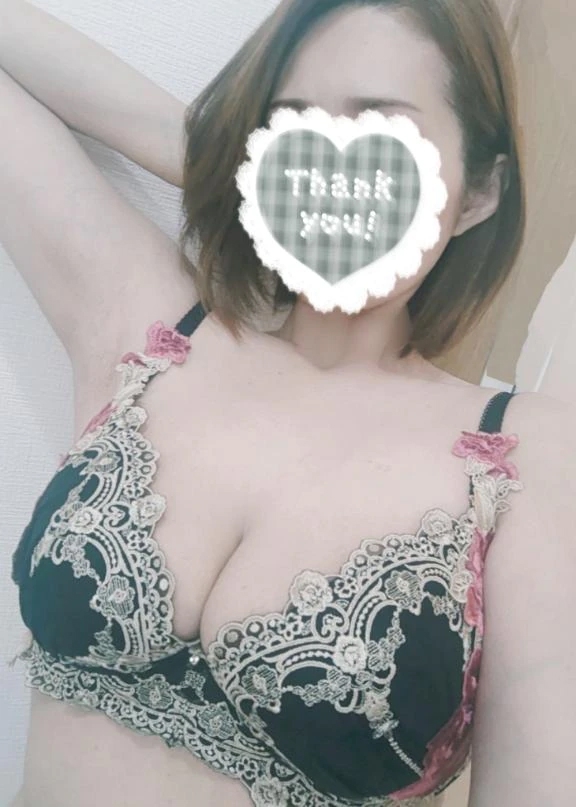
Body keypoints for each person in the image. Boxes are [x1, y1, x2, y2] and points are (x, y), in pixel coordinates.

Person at [2, 0, 575, 806]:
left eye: (379, 128)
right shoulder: (153, 330)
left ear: (479, 190)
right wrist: (226, 171)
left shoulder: (530, 454)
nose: (329, 160)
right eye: (292, 124)